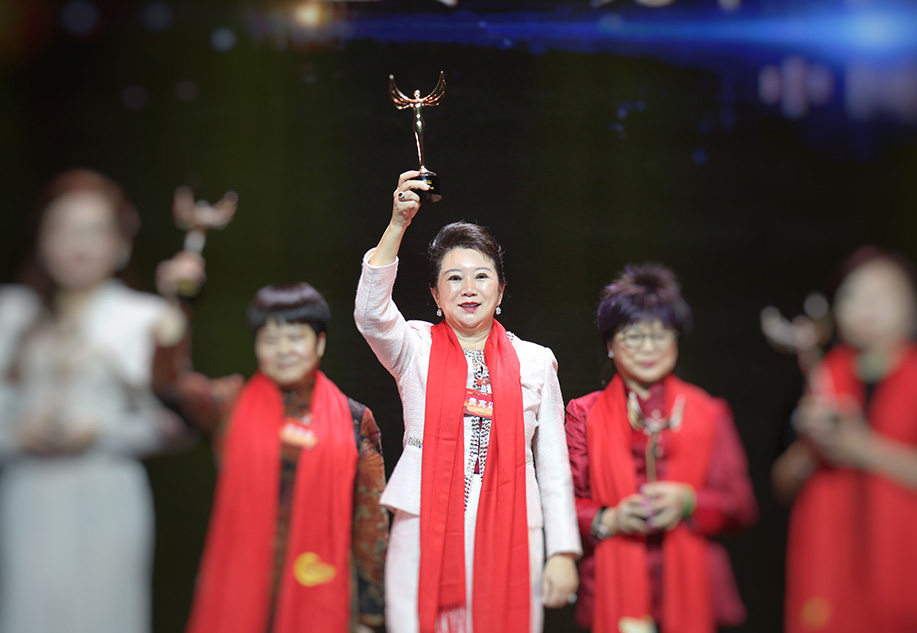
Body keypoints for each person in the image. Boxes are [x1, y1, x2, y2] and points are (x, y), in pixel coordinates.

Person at [354, 171, 581, 633]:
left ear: (501, 291)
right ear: (436, 296)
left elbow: (554, 465)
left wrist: (562, 551)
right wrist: (397, 224)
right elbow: (371, 314)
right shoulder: (414, 347)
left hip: (513, 526)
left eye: (482, 277)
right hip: (423, 524)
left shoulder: (536, 361)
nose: (469, 288)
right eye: (454, 278)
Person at [0, 169, 196, 633]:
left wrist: (101, 431)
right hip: (29, 491)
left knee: (104, 611)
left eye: (93, 230)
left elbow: (178, 421)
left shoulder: (145, 317)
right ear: (41, 239)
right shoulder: (11, 314)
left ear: (120, 242)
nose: (77, 244)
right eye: (63, 228)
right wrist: (16, 433)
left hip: (106, 491)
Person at [172, 282, 389, 633]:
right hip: (242, 581)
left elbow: (371, 526)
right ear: (256, 346)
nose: (283, 350)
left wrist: (370, 616)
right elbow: (170, 387)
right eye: (270, 339)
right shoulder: (230, 404)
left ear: (320, 343)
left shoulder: (354, 419)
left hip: (319, 583)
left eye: (295, 337)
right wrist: (178, 308)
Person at [565, 263, 757, 633]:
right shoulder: (583, 414)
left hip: (693, 584)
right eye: (634, 336)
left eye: (659, 335)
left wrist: (688, 501)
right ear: (610, 345)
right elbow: (563, 504)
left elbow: (740, 505)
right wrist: (609, 519)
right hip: (610, 583)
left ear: (676, 340)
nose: (648, 348)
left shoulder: (707, 412)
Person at [772, 247, 917, 633]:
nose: (867, 305)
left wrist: (862, 448)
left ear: (916, 309)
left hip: (914, 567)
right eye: (853, 293)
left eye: (883, 294)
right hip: (828, 575)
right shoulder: (817, 380)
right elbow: (781, 485)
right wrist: (811, 449)